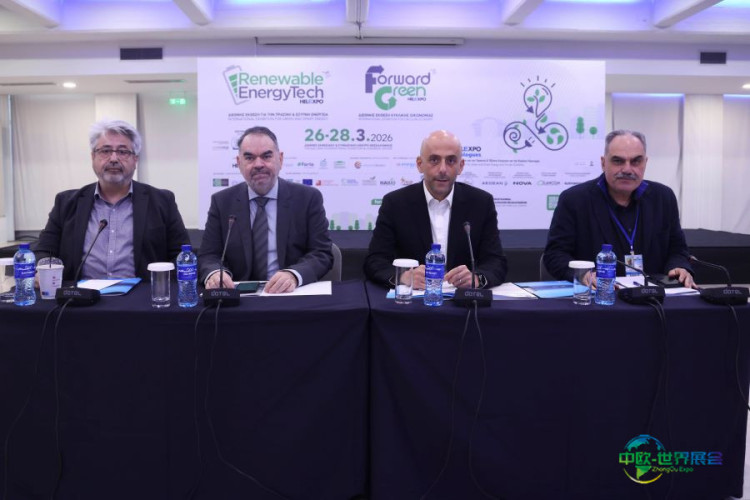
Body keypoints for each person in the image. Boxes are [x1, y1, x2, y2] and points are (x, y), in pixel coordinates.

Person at [34, 119, 189, 281]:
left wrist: (162, 284)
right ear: (93, 157)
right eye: (105, 151)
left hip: (142, 294)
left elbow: (182, 255)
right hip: (80, 294)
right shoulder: (66, 203)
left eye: (123, 152)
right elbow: (44, 251)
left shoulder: (162, 201)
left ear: (135, 159)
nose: (114, 158)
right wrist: (44, 270)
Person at [543, 129, 694, 287]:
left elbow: (677, 249)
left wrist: (679, 267)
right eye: (618, 161)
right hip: (600, 294)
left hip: (653, 296)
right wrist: (584, 275)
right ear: (603, 163)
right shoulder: (574, 200)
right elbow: (555, 254)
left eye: (636, 161)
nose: (627, 169)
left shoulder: (663, 198)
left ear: (645, 163)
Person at [364, 130, 508, 289]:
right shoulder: (395, 203)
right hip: (414, 298)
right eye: (434, 160)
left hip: (461, 299)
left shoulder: (481, 203)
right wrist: (403, 276)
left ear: (461, 166)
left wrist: (476, 278)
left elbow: (496, 262)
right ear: (420, 164)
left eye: (451, 160)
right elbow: (375, 261)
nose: (443, 169)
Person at [199, 126, 332, 294]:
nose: (258, 164)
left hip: (290, 294)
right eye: (249, 158)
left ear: (280, 159)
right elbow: (208, 255)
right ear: (239, 163)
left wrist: (293, 275)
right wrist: (214, 273)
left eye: (266, 156)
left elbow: (321, 253)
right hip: (240, 296)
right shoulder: (222, 202)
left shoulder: (307, 198)